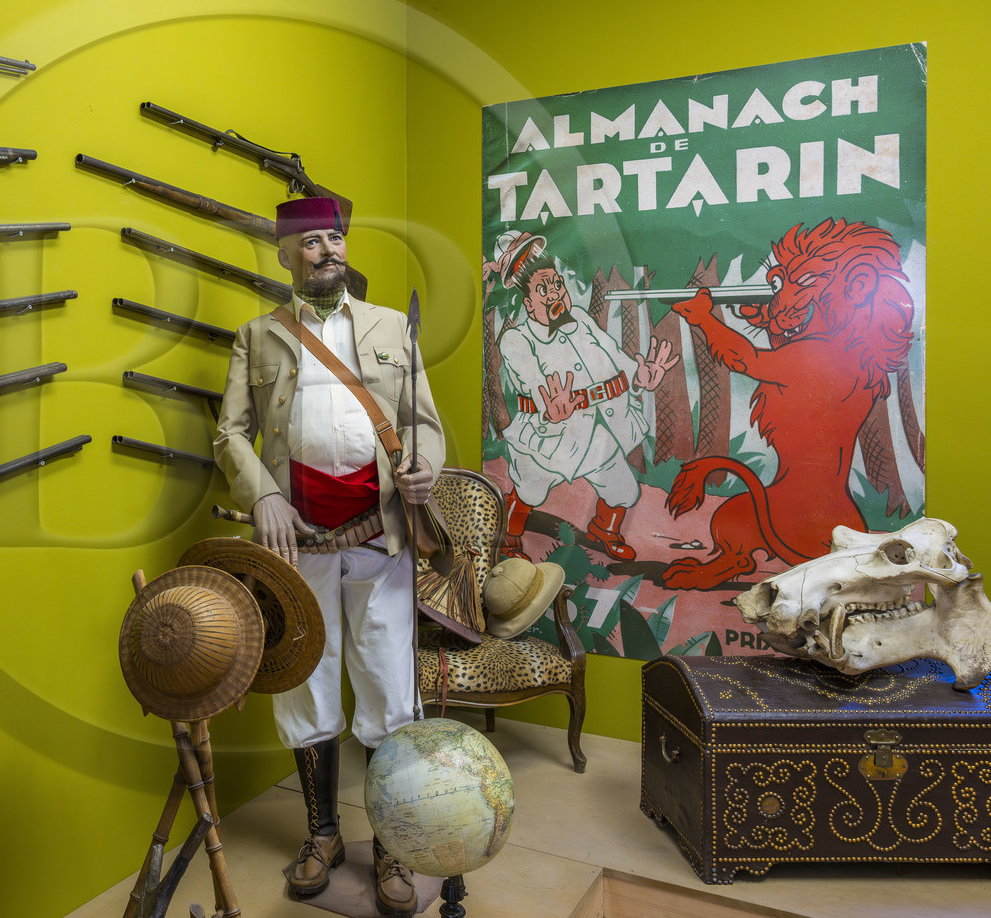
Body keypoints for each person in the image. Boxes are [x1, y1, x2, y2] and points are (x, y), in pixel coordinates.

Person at [214, 197, 443, 915]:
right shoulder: (257, 336)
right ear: (285, 255)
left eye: (336, 238)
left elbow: (423, 423)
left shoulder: (391, 327)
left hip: (380, 537)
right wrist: (261, 497)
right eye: (312, 241)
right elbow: (230, 433)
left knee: (387, 689)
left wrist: (424, 470)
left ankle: (393, 847)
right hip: (297, 542)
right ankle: (322, 834)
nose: (328, 250)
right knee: (305, 688)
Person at [492, 229, 676, 562]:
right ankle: (508, 535)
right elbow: (533, 381)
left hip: (594, 432)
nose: (554, 295)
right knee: (529, 490)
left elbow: (613, 355)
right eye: (542, 290)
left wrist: (641, 375)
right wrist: (551, 409)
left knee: (624, 489)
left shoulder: (579, 318)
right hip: (546, 435)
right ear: (528, 301)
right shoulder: (517, 340)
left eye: (556, 285)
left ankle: (603, 530)